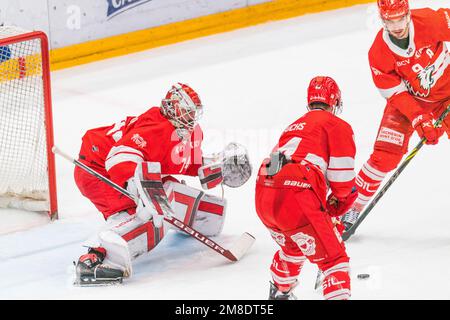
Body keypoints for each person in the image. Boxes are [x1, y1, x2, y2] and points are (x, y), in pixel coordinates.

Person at [73, 83, 251, 285]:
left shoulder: (184, 130)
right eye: (186, 112)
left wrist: (218, 168)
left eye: (193, 113)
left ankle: (199, 218)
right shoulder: (155, 128)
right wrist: (140, 189)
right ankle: (95, 258)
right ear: (173, 107)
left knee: (166, 191)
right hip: (96, 169)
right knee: (137, 213)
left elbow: (186, 163)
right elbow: (118, 158)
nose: (191, 118)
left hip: (125, 166)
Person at [341, 0, 450, 230]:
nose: (397, 25)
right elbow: (397, 95)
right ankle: (352, 206)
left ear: (408, 14)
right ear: (382, 20)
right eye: (391, 21)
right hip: (408, 103)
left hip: (446, 96)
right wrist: (419, 118)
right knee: (384, 156)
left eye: (400, 18)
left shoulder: (430, 20)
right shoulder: (378, 53)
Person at [255, 76, 358, 300]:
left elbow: (276, 163)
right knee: (334, 260)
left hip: (264, 190)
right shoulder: (337, 125)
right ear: (335, 102)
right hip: (296, 191)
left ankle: (279, 294)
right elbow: (343, 183)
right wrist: (339, 203)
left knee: (294, 246)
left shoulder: (293, 126)